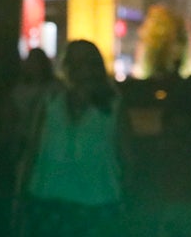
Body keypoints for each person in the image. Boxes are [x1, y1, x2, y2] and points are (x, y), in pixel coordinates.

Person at [13, 40, 135, 237]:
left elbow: (128, 160)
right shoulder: (50, 102)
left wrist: (127, 206)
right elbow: (32, 153)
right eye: (76, 62)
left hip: (97, 205)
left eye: (88, 62)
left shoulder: (113, 108)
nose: (83, 69)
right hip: (47, 203)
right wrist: (20, 200)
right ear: (67, 67)